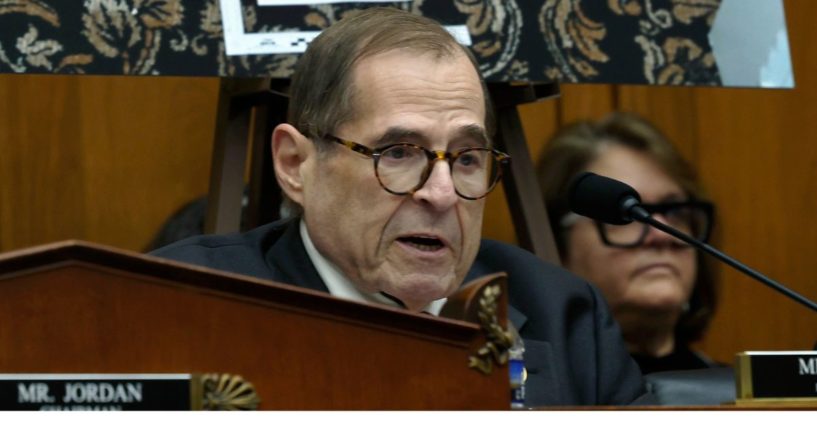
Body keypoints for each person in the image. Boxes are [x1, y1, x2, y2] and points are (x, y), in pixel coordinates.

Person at [152, 7, 650, 406]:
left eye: (467, 158)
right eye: (398, 153)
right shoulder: (177, 308)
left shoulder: (564, 317)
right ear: (294, 164)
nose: (442, 192)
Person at [536, 112, 720, 374]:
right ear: (556, 242)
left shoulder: (738, 400)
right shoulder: (534, 399)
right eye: (626, 215)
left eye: (675, 211)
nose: (663, 234)